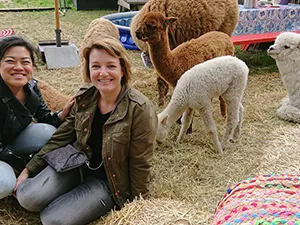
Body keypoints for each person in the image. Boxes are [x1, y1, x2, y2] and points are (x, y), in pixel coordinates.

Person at [15, 38, 158, 225]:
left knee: (51, 220)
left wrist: (139, 208)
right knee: (27, 198)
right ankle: (68, 192)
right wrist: (28, 169)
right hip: (77, 164)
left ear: (122, 69)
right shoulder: (85, 96)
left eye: (111, 66)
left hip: (109, 181)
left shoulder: (139, 109)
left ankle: (84, 199)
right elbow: (60, 137)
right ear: (89, 70)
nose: (103, 73)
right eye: (96, 66)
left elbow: (140, 163)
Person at [0, 35, 73, 197]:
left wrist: (61, 115)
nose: (19, 67)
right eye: (10, 61)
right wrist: (26, 167)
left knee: (48, 132)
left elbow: (44, 117)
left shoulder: (31, 88)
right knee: (4, 184)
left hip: (11, 142)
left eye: (25, 62)